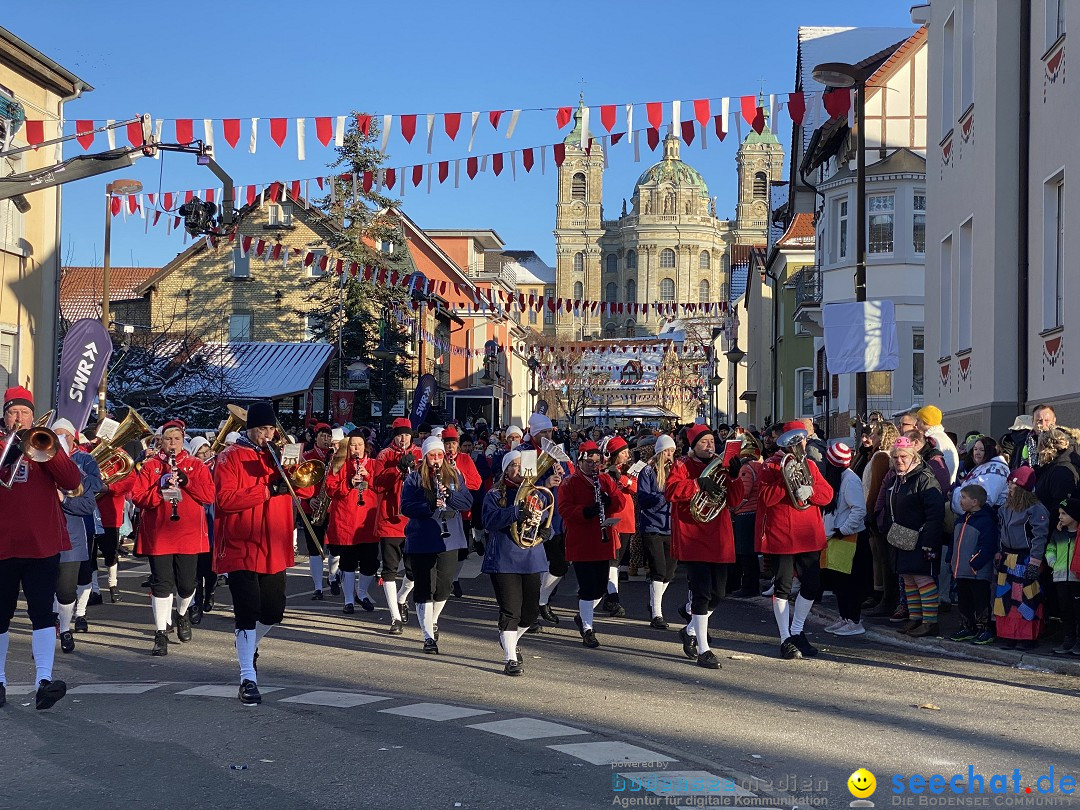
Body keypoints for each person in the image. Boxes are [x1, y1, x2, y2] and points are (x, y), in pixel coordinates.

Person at [214, 401, 316, 705]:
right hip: (241, 544)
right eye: (262, 428)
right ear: (250, 428)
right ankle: (247, 677)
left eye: (271, 428)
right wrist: (268, 490)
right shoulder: (229, 457)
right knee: (247, 612)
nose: (267, 434)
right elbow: (225, 500)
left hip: (273, 544)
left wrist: (294, 473)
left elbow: (307, 490)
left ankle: (247, 645)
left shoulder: (278, 455)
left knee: (273, 612)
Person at [0, 386, 83, 710]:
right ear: (5, 417)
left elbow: (70, 478)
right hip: (3, 546)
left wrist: (51, 449)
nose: (18, 418)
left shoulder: (45, 444)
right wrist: (13, 449)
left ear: (33, 416)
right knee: (0, 617)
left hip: (41, 546)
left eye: (23, 413)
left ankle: (43, 682)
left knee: (42, 615)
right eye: (12, 412)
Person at [131, 419, 215, 656]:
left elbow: (208, 496)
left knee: (187, 584)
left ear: (183, 440)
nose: (172, 443)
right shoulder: (151, 466)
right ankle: (160, 632)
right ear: (161, 441)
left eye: (177, 439)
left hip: (187, 534)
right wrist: (159, 491)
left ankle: (181, 614)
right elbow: (137, 497)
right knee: (162, 584)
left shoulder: (196, 465)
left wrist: (186, 482)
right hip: (159, 534)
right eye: (168, 439)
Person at [665, 423, 743, 669]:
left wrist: (734, 476)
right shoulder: (682, 465)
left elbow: (735, 500)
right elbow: (671, 492)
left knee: (719, 593)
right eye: (704, 442)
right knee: (702, 592)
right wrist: (698, 483)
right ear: (693, 446)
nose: (710, 445)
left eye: (711, 441)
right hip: (693, 535)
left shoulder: (721, 464)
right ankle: (704, 649)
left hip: (718, 535)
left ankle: (689, 630)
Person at [756, 422, 834, 659]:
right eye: (794, 439)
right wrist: (784, 479)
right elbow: (766, 498)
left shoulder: (810, 464)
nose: (800, 444)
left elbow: (828, 494)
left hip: (808, 533)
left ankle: (797, 630)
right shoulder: (771, 465)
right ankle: (784, 637)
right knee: (783, 587)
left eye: (801, 439)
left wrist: (811, 491)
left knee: (812, 585)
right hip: (783, 534)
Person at [400, 436, 472, 654]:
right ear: (425, 457)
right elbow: (406, 507)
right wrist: (429, 503)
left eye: (440, 455)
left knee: (444, 587)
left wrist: (449, 496)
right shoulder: (414, 479)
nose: (437, 460)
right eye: (433, 456)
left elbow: (467, 502)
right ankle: (427, 636)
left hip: (449, 539)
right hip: (423, 538)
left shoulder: (456, 475)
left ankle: (433, 619)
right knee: (424, 588)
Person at [481, 450, 548, 675]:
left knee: (529, 614)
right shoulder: (494, 494)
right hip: (503, 558)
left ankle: (508, 638)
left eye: (522, 465)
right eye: (514, 466)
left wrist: (548, 530)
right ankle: (510, 657)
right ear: (506, 469)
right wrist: (514, 512)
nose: (519, 470)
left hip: (531, 557)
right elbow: (489, 521)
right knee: (510, 611)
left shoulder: (537, 494)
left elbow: (545, 519)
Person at [557, 441, 626, 648]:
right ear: (580, 461)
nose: (594, 466)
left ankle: (583, 615)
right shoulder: (570, 482)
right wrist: (586, 511)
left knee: (598, 588)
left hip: (602, 540)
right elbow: (564, 509)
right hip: (582, 541)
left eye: (597, 462)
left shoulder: (604, 479)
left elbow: (620, 502)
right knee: (588, 588)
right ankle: (588, 627)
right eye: (590, 462)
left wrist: (609, 498)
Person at [882, 437, 945, 638]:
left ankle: (930, 622)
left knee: (922, 578)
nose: (899, 460)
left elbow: (935, 514)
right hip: (901, 537)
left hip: (921, 538)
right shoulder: (897, 479)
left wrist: (929, 542)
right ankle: (916, 618)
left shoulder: (925, 478)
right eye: (895, 457)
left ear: (913, 456)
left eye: (903, 456)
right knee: (908, 578)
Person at [50, 419, 103, 653]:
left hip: (72, 536)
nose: (62, 440)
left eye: (66, 436)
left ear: (74, 437)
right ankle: (56, 630)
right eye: (57, 435)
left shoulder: (83, 461)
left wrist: (65, 499)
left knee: (66, 589)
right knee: (44, 587)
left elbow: (88, 504)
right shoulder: (38, 464)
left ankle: (67, 622)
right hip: (42, 535)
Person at [372, 418, 422, 634]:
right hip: (389, 519)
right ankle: (394, 618)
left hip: (413, 520)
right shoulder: (384, 455)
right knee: (389, 570)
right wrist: (395, 470)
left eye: (407, 435)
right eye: (400, 435)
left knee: (413, 571)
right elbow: (376, 484)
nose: (403, 439)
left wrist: (415, 466)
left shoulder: (420, 453)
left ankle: (402, 597)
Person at [994, 467, 1050, 650]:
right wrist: (998, 552)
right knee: (1005, 598)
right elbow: (1000, 532)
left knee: (1025, 598)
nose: (1009, 487)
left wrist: (1035, 562)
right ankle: (1008, 634)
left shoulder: (1036, 509)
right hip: (1007, 557)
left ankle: (1026, 636)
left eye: (1012, 484)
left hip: (1025, 559)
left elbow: (1039, 536)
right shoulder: (1005, 508)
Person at [324, 430, 378, 615]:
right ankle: (348, 600)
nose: (357, 448)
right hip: (347, 520)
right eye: (353, 444)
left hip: (368, 521)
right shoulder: (338, 464)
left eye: (360, 444)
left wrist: (368, 477)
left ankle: (361, 593)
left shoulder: (373, 464)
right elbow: (330, 489)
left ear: (365, 446)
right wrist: (348, 483)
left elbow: (381, 487)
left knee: (370, 562)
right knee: (347, 562)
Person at [819, 441, 869, 637]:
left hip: (850, 538)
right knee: (839, 582)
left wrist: (843, 529)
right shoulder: (838, 479)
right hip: (836, 538)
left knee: (849, 582)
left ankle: (854, 620)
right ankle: (845, 617)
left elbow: (859, 509)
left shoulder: (850, 480)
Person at [526, 414, 571, 626]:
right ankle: (532, 608)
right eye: (542, 432)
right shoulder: (524, 452)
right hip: (534, 516)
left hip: (556, 517)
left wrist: (564, 473)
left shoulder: (555, 450)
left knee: (560, 564)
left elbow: (569, 480)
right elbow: (524, 484)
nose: (547, 436)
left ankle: (542, 601)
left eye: (549, 431)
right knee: (536, 567)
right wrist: (546, 481)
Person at [946, 484, 999, 645]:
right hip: (960, 569)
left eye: (963, 497)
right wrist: (951, 558)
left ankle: (985, 629)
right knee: (964, 600)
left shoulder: (986, 521)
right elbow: (953, 542)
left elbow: (988, 545)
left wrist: (975, 563)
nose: (960, 501)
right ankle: (967, 627)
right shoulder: (961, 519)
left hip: (977, 571)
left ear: (975, 501)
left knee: (981, 601)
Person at [636, 434, 677, 628]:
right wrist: (664, 496)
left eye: (673, 451)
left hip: (671, 526)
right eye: (667, 451)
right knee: (658, 570)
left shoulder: (676, 471)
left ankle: (654, 602)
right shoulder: (647, 471)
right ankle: (657, 614)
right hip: (652, 525)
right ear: (660, 452)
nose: (670, 455)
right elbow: (643, 499)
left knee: (669, 573)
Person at [863, 421, 901, 616]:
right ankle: (880, 594)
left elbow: (876, 488)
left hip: (877, 514)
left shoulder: (881, 457)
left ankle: (886, 598)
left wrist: (869, 513)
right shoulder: (879, 456)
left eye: (877, 434)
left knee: (883, 558)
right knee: (878, 557)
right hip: (878, 513)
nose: (873, 437)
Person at [443, 426, 482, 599]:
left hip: (462, 512)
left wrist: (461, 479)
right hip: (441, 511)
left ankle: (455, 578)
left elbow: (477, 482)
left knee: (461, 550)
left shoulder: (465, 459)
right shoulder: (438, 458)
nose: (450, 447)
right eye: (447, 444)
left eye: (453, 443)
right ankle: (443, 578)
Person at [601, 435, 637, 618]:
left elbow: (636, 487)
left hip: (627, 521)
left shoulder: (629, 470)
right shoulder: (604, 470)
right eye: (623, 453)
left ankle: (609, 595)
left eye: (626, 452)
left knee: (617, 560)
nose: (626, 455)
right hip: (613, 519)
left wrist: (622, 478)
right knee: (613, 561)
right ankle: (612, 598)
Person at [302, 424, 336, 598]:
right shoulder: (306, 457)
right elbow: (299, 482)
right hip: (312, 506)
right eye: (323, 436)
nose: (326, 439)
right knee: (314, 548)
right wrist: (309, 498)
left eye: (328, 436)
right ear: (316, 437)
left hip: (333, 508)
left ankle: (332, 576)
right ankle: (317, 587)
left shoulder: (336, 456)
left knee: (335, 547)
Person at [730, 436, 765, 598]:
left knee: (745, 553)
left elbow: (742, 493)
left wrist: (732, 507)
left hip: (745, 513)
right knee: (750, 552)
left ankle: (749, 587)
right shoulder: (759, 466)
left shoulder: (746, 469)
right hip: (755, 512)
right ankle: (751, 585)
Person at [187, 437, 217, 623]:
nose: (206, 455)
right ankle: (196, 604)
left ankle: (210, 591)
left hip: (213, 519)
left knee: (210, 568)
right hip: (196, 520)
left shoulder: (217, 468)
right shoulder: (191, 470)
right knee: (196, 569)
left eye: (207, 452)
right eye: (201, 452)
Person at [1047, 497, 1080, 655]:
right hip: (1060, 577)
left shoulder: (1078, 535)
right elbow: (1050, 549)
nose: (1060, 517)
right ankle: (1068, 640)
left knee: (1077, 611)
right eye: (1060, 513)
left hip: (1076, 578)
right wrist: (1052, 562)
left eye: (1064, 513)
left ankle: (1078, 642)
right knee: (1065, 610)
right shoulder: (1058, 533)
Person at [950, 437, 1010, 515]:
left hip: (981, 518)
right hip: (970, 513)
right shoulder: (984, 465)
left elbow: (986, 499)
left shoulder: (995, 470)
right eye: (975, 449)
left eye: (982, 450)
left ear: (990, 451)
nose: (977, 453)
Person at [916, 406, 958, 484]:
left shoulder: (934, 440)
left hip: (939, 485)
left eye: (918, 420)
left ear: (926, 421)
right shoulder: (941, 437)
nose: (916, 424)